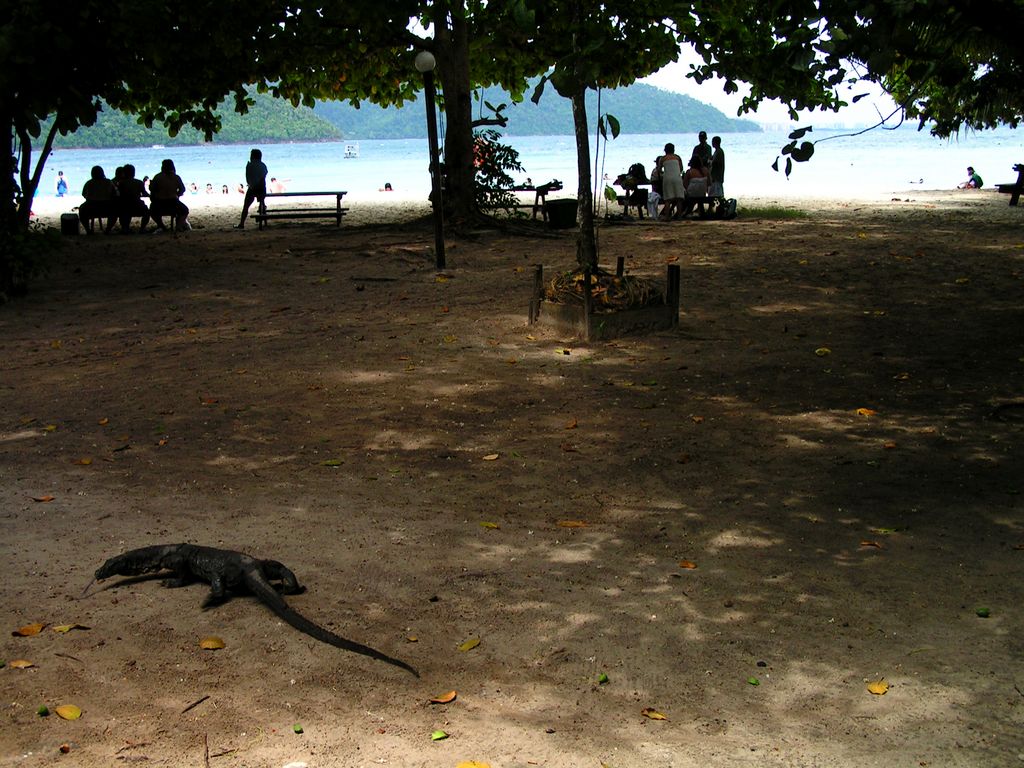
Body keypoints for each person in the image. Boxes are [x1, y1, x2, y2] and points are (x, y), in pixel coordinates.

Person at [149, 158, 190, 232]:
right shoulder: (176, 177)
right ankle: (178, 226)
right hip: (173, 202)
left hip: (160, 203)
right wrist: (177, 195)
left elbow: (152, 189)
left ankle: (162, 226)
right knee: (185, 210)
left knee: (152, 211)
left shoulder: (158, 177)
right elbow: (183, 189)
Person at [78, 166, 117, 234]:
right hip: (106, 207)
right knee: (116, 209)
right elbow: (114, 194)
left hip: (91, 208)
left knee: (81, 209)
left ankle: (88, 230)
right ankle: (108, 229)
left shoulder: (89, 183)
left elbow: (84, 194)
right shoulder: (108, 182)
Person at [236, 148, 269, 229]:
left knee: (246, 206)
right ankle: (263, 221)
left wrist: (251, 184)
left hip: (252, 188)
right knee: (262, 203)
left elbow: (248, 179)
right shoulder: (263, 165)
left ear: (252, 156)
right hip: (261, 188)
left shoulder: (249, 165)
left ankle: (242, 223)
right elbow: (264, 176)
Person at [116, 164, 151, 233]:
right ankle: (142, 228)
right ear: (134, 173)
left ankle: (125, 228)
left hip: (125, 206)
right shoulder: (139, 182)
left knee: (123, 211)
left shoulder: (121, 183)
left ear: (124, 173)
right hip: (137, 205)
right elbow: (144, 193)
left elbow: (118, 195)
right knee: (147, 212)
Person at [656, 143, 685, 220]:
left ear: (665, 150)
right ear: (673, 150)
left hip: (668, 178)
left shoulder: (663, 158)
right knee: (679, 198)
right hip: (677, 178)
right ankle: (679, 216)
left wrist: (664, 173)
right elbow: (681, 169)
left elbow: (659, 170)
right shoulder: (677, 157)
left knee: (668, 199)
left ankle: (667, 216)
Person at [709, 136, 725, 206]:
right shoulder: (717, 151)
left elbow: (715, 163)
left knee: (717, 194)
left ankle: (722, 207)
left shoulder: (719, 152)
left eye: (713, 142)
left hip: (717, 177)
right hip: (715, 176)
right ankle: (712, 208)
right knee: (714, 194)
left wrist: (710, 161)